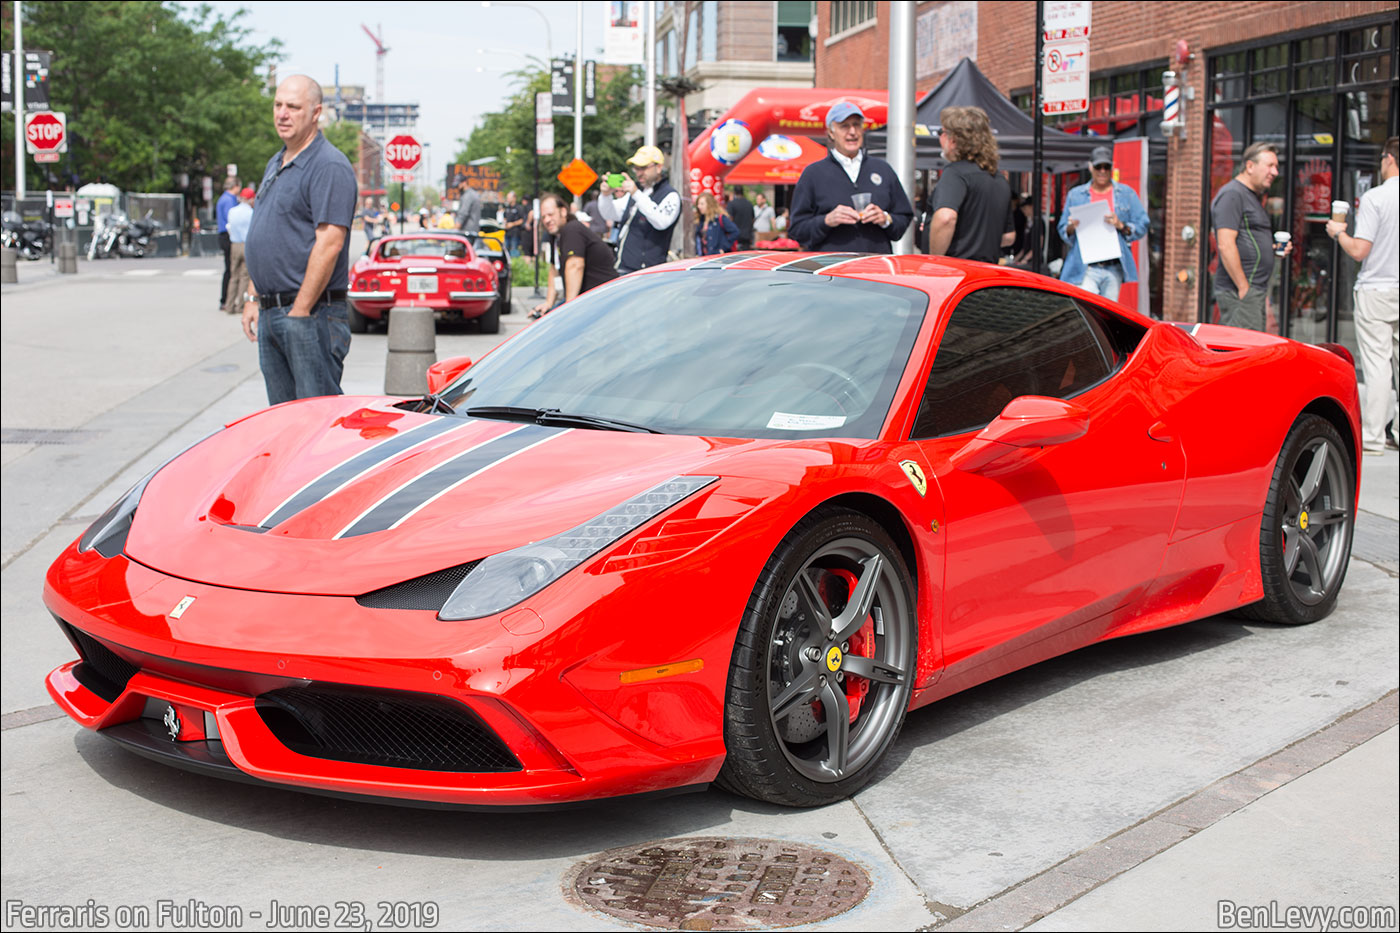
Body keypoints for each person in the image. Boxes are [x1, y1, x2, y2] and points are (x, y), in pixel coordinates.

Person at [241, 75, 358, 405]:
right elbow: (267, 233)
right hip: (272, 311)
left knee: (314, 421)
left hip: (311, 315)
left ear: (316, 112)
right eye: (278, 105)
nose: (282, 113)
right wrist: (252, 296)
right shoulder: (275, 163)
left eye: (293, 107)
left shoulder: (329, 165)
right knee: (283, 423)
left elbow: (330, 243)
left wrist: (300, 311)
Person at [1327, 136, 1399, 455]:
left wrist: (1338, 232)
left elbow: (1359, 250)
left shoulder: (1376, 198)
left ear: (1388, 159)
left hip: (1376, 288)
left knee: (1377, 364)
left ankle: (1372, 436)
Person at [789, 101, 913, 253]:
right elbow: (797, 230)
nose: (852, 131)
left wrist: (886, 219)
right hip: (831, 270)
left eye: (856, 125)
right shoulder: (813, 174)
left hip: (875, 268)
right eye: (844, 126)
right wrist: (827, 220)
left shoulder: (883, 169)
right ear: (831, 132)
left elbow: (904, 217)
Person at [1211, 141, 1290, 331]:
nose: (1275, 173)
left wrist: (1272, 251)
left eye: (1276, 167)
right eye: (1270, 166)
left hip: (1254, 291)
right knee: (1245, 354)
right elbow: (1225, 244)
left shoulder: (1250, 196)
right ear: (1249, 166)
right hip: (1241, 291)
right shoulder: (1232, 195)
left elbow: (1247, 240)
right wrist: (1243, 288)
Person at [1057, 146, 1150, 302]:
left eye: (1106, 167)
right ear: (1090, 167)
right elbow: (1062, 229)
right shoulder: (1076, 195)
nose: (1102, 171)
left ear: (1111, 168)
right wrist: (1071, 228)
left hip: (1114, 266)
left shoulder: (1126, 194)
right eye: (1098, 167)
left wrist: (1122, 225)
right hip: (1086, 266)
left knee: (1109, 314)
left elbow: (1143, 223)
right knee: (1087, 307)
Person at [927, 106, 1014, 263]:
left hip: (956, 270)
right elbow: (1008, 237)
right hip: (986, 273)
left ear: (952, 140)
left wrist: (935, 260)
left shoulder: (955, 173)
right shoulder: (999, 179)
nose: (940, 138)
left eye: (941, 133)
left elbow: (945, 218)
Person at [530, 192, 618, 318]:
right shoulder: (555, 236)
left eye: (550, 214)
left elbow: (575, 265)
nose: (547, 220)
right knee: (545, 319)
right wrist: (548, 303)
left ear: (563, 212)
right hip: (587, 298)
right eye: (543, 217)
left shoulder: (572, 229)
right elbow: (554, 270)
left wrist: (569, 308)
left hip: (603, 299)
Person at [605, 145, 681, 273]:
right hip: (623, 266)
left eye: (644, 168)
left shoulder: (670, 195)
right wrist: (605, 195)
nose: (638, 173)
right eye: (636, 168)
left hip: (647, 271)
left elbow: (661, 222)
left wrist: (636, 193)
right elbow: (609, 213)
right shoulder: (638, 192)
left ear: (659, 167)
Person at [223, 186, 255, 316]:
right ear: (250, 199)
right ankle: (240, 304)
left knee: (233, 275)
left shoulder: (232, 211)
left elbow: (228, 226)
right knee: (245, 276)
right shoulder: (251, 213)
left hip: (234, 244)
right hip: (246, 244)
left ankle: (229, 305)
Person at [216, 176, 240, 310]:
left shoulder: (223, 198)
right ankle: (227, 300)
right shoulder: (229, 200)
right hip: (228, 236)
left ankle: (226, 300)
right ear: (235, 186)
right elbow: (231, 220)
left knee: (230, 269)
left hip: (224, 235)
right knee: (231, 269)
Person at [501, 190, 525, 255]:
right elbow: (505, 217)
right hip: (507, 232)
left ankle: (514, 264)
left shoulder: (519, 208)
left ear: (514, 198)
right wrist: (505, 223)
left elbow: (522, 220)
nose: (507, 199)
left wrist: (512, 224)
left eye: (509, 198)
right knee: (506, 251)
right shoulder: (507, 208)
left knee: (514, 251)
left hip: (515, 233)